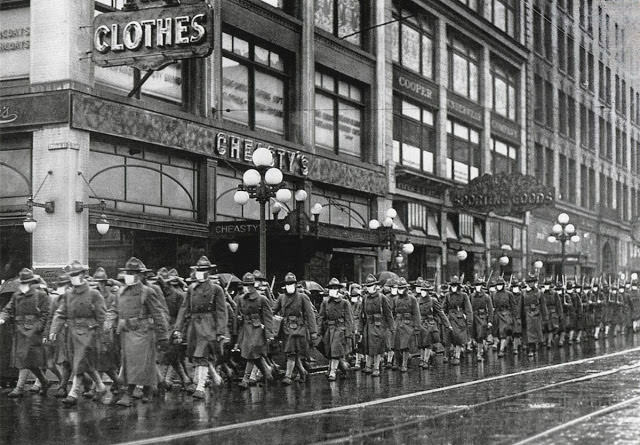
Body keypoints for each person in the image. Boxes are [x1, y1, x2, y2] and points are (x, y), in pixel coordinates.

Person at [111, 257, 169, 407]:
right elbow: (114, 310)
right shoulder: (121, 292)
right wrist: (108, 323)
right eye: (128, 272)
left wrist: (163, 336)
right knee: (131, 364)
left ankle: (130, 394)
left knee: (141, 364)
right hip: (126, 332)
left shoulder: (147, 292)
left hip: (142, 331)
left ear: (141, 275)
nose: (129, 275)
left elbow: (158, 313)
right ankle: (153, 386)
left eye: (133, 272)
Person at [49, 261, 107, 406]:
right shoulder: (69, 294)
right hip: (72, 334)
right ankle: (100, 386)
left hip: (89, 333)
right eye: (72, 275)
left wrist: (102, 337)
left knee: (80, 362)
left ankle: (73, 393)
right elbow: (60, 313)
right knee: (82, 363)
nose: (74, 278)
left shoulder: (94, 293)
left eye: (76, 274)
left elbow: (102, 316)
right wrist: (54, 330)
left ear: (83, 275)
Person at [173, 256, 227, 399]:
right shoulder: (191, 288)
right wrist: (178, 328)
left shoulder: (216, 289)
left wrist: (221, 331)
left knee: (201, 354)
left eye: (203, 270)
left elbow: (222, 311)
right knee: (194, 354)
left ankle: (200, 387)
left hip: (208, 324)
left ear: (209, 272)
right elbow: (184, 309)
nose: (200, 272)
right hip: (193, 325)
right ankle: (214, 377)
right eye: (199, 270)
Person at [0, 268, 50, 398]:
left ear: (32, 282)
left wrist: (39, 327)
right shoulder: (16, 296)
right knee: (25, 360)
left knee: (26, 359)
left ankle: (19, 388)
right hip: (20, 332)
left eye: (27, 282)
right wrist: (2, 318)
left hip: (33, 332)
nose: (24, 285)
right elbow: (8, 309)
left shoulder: (41, 295)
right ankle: (44, 381)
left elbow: (45, 314)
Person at [273, 272, 318, 385]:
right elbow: (272, 310)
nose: (290, 286)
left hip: (299, 328)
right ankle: (302, 372)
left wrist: (313, 332)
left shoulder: (303, 297)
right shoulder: (281, 298)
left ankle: (288, 376)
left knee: (292, 353)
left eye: (292, 283)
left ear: (295, 284)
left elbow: (310, 314)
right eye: (288, 284)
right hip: (286, 328)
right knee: (291, 352)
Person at [234, 272, 274, 389]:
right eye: (245, 285)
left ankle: (245, 379)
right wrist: (236, 330)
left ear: (253, 285)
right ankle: (268, 373)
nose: (247, 288)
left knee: (252, 351)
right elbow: (237, 313)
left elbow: (268, 318)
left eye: (250, 285)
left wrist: (269, 334)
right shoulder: (241, 299)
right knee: (253, 355)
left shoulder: (262, 299)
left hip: (257, 329)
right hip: (246, 329)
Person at [91, 267, 122, 396]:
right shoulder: (93, 295)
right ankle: (101, 386)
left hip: (110, 332)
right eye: (97, 282)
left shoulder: (113, 296)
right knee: (101, 360)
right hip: (96, 331)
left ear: (105, 282)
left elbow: (115, 314)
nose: (99, 285)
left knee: (109, 360)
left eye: (102, 282)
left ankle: (115, 383)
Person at [318, 278, 354, 381]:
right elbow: (321, 317)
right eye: (331, 288)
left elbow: (349, 319)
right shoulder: (325, 302)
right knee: (330, 351)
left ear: (338, 289)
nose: (333, 290)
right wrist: (319, 331)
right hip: (329, 330)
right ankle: (344, 368)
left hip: (340, 329)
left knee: (335, 350)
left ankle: (333, 372)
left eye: (335, 288)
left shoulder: (344, 303)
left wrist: (348, 333)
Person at [360, 274, 394, 377]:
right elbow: (362, 314)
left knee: (378, 347)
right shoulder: (365, 298)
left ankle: (376, 367)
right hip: (368, 325)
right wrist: (360, 329)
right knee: (368, 346)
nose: (369, 288)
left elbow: (388, 313)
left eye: (370, 286)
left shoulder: (382, 297)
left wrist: (391, 327)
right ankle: (368, 366)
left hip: (379, 325)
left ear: (375, 286)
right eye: (367, 286)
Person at [44, 273, 71, 398]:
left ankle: (88, 386)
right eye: (60, 285)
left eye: (63, 285)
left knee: (76, 363)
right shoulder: (55, 299)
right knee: (62, 362)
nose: (61, 287)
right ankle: (63, 385)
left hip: (73, 333)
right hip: (59, 334)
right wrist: (49, 333)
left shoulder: (73, 297)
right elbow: (50, 317)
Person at [415, 278, 450, 368]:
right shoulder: (417, 300)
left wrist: (447, 324)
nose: (422, 292)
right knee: (421, 343)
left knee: (428, 343)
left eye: (425, 290)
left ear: (428, 292)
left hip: (430, 324)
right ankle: (422, 359)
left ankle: (426, 361)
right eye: (422, 290)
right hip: (421, 323)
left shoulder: (433, 300)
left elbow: (440, 313)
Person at [391, 277, 420, 372]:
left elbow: (416, 314)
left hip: (408, 324)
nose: (400, 290)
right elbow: (392, 312)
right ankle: (395, 362)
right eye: (399, 288)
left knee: (405, 345)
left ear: (406, 288)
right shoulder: (395, 299)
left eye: (402, 288)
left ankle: (404, 364)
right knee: (396, 344)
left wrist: (417, 327)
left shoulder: (412, 299)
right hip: (397, 323)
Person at [443, 276, 472, 365]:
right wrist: (443, 318)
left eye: (455, 285)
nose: (454, 287)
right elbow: (443, 308)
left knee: (459, 338)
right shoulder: (447, 295)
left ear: (458, 286)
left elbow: (468, 309)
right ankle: (447, 355)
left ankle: (457, 356)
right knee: (449, 338)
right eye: (452, 286)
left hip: (460, 320)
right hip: (450, 319)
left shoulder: (464, 295)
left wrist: (469, 321)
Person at [522, 275, 547, 357]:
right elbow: (521, 305)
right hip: (527, 314)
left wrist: (545, 316)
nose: (531, 284)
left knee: (537, 331)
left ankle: (536, 347)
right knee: (529, 332)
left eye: (532, 282)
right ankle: (530, 349)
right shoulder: (523, 292)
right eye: (529, 282)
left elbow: (543, 305)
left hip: (537, 313)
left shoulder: (539, 292)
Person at [469, 278, 493, 362]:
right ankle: (483, 346)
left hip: (482, 317)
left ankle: (479, 354)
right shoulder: (471, 296)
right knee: (475, 336)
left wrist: (490, 321)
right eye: (476, 285)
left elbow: (490, 310)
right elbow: (468, 307)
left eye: (479, 285)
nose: (478, 287)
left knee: (480, 334)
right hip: (473, 317)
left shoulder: (486, 296)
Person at [492, 278, 513, 357]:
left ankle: (501, 350)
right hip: (497, 314)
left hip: (505, 314)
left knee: (503, 331)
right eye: (498, 285)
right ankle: (499, 345)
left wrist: (512, 316)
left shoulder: (509, 294)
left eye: (501, 285)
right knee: (496, 332)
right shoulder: (493, 294)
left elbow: (513, 305)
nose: (499, 286)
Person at [541, 278, 563, 348]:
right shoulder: (542, 294)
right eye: (545, 284)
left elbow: (558, 304)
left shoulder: (554, 293)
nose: (546, 286)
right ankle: (549, 340)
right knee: (546, 328)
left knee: (552, 328)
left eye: (548, 284)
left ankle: (549, 342)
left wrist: (560, 314)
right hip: (545, 312)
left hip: (553, 313)